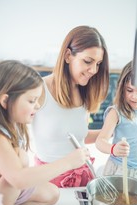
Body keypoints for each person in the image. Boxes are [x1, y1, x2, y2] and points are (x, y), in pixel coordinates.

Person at [0, 60, 90, 205]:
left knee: (52, 195)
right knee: (18, 171)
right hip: (10, 184)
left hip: (6, 188)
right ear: (5, 100)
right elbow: (18, 179)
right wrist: (68, 162)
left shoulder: (13, 126)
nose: (37, 106)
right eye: (32, 101)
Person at [31, 25, 109, 187]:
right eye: (88, 61)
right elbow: (10, 133)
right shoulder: (39, 89)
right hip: (48, 182)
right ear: (68, 56)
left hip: (82, 178)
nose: (94, 70)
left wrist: (110, 130)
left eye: (98, 64)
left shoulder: (85, 92)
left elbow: (78, 137)